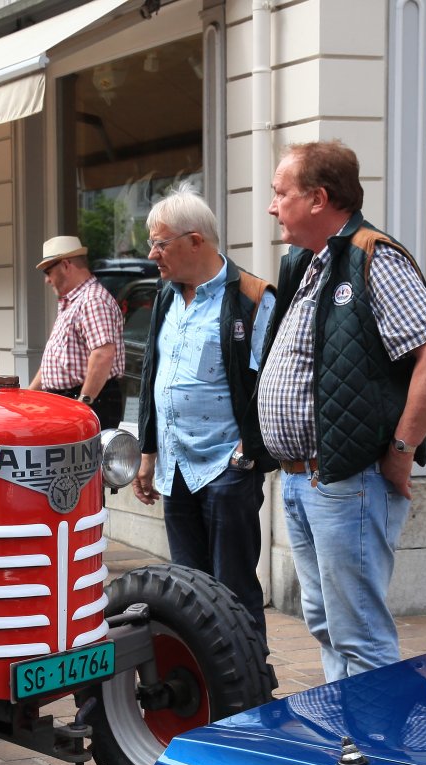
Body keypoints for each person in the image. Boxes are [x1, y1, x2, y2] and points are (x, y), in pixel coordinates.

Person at [257, 140, 426, 681]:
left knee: (359, 632)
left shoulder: (374, 257)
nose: (272, 206)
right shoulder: (310, 262)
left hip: (349, 479)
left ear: (318, 198)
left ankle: (378, 732)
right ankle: (347, 725)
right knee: (329, 624)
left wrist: (402, 449)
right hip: (306, 479)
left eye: (281, 193)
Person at [130, 187, 276, 638]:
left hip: (226, 468)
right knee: (187, 592)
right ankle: (200, 676)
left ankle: (250, 679)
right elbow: (152, 374)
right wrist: (148, 452)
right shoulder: (166, 296)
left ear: (195, 241)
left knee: (234, 592)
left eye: (160, 243)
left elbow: (270, 387)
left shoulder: (252, 297)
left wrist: (245, 455)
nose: (152, 255)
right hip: (175, 468)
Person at [30, 235, 125, 430]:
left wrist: (84, 402)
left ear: (66, 265)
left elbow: (103, 354)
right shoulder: (74, 301)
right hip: (72, 401)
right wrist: (29, 394)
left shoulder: (92, 300)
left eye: (48, 271)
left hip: (87, 400)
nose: (47, 280)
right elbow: (56, 358)